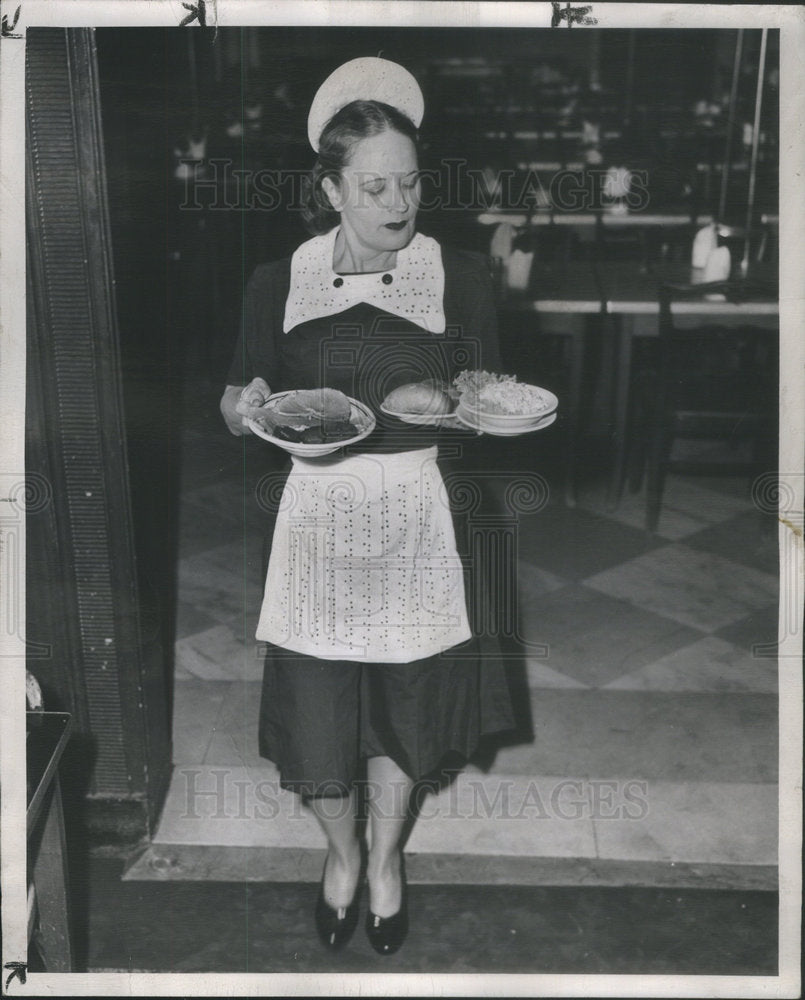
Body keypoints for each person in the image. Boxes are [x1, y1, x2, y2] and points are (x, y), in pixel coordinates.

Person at [220, 57, 516, 955]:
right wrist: (243, 405)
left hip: (418, 513)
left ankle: (385, 861)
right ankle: (340, 853)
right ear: (331, 190)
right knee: (317, 715)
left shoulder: (459, 275)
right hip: (316, 518)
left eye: (411, 182)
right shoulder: (276, 280)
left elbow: (482, 393)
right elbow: (237, 399)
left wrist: (462, 403)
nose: (400, 203)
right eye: (376, 187)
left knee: (404, 704)